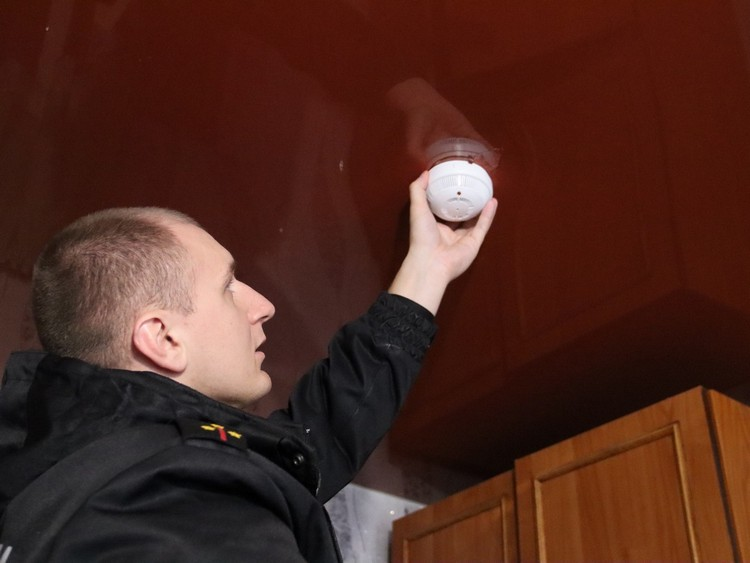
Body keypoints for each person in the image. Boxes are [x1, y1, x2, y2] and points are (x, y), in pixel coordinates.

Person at [0, 172, 496, 561]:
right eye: (228, 286)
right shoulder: (179, 500)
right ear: (163, 338)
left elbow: (309, 445)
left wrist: (429, 269)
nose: (263, 305)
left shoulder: (76, 475)